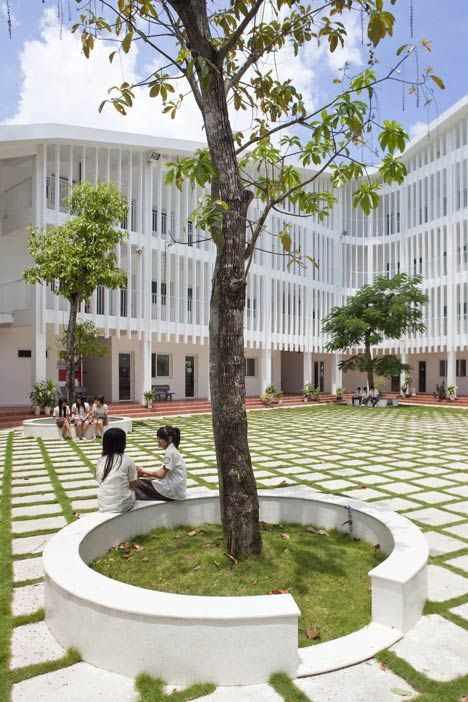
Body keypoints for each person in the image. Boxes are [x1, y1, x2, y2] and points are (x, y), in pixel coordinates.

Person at [134, 425, 187, 501]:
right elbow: (163, 472)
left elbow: (160, 474)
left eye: (160, 438)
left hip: (173, 491)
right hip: (177, 489)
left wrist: (142, 470)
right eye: (157, 438)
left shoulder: (170, 452)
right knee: (143, 483)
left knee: (137, 483)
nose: (157, 440)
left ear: (169, 439)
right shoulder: (172, 450)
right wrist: (144, 474)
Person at [96, 427, 138, 513]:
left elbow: (99, 480)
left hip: (103, 505)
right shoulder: (127, 460)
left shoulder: (101, 460)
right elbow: (133, 484)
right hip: (122, 505)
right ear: (122, 443)